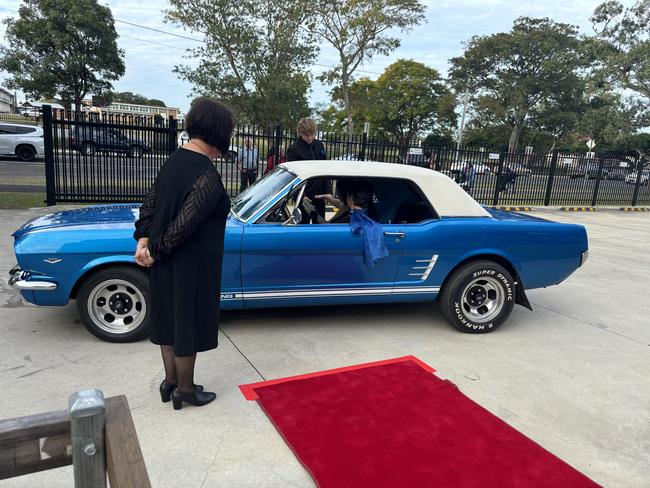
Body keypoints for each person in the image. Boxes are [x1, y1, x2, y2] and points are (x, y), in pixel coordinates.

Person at [133, 97, 233, 410]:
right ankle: (186, 389)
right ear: (219, 132)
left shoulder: (173, 160)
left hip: (163, 261)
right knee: (186, 323)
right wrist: (154, 249)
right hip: (192, 264)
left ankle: (170, 382)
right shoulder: (206, 174)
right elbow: (183, 226)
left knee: (168, 321)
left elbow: (150, 204)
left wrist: (144, 241)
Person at [286, 117, 331, 223]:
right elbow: (294, 176)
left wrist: (328, 191)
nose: (310, 138)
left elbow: (325, 169)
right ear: (300, 133)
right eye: (306, 135)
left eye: (312, 134)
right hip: (304, 195)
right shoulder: (294, 149)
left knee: (320, 226)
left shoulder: (319, 145)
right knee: (303, 228)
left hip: (319, 194)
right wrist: (301, 196)